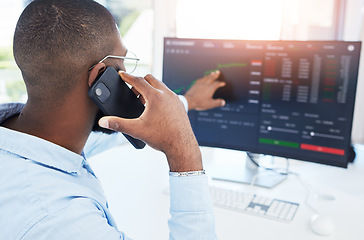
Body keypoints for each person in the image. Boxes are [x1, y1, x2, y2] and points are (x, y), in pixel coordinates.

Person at [0, 0, 226, 239]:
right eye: (122, 61)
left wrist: (186, 102)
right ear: (100, 76)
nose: (125, 71)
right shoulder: (59, 219)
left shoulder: (27, 136)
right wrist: (183, 153)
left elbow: (99, 138)